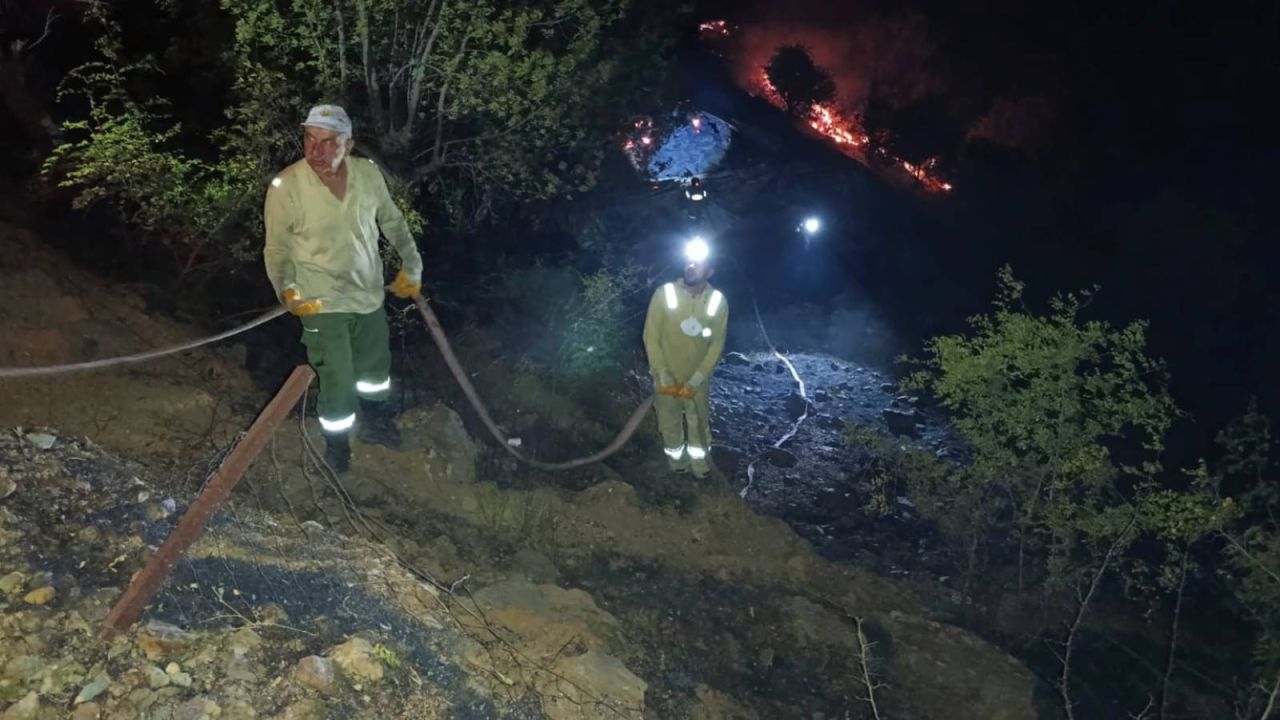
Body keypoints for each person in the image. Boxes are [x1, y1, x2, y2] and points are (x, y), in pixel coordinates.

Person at [263, 104, 424, 473]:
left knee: (375, 372)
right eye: (309, 139)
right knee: (337, 376)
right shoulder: (286, 186)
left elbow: (392, 221)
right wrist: (286, 289)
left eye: (328, 142)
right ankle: (337, 447)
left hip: (367, 294)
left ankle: (377, 423)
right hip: (318, 301)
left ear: (348, 146)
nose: (316, 151)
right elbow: (276, 248)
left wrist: (412, 265)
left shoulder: (368, 175)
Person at [642, 238, 728, 478]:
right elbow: (651, 336)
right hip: (666, 374)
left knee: (698, 422)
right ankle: (677, 464)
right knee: (668, 421)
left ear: (709, 271)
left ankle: (700, 468)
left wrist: (698, 378)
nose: (691, 266)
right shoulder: (664, 294)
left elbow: (717, 343)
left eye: (698, 264)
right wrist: (661, 372)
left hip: (696, 378)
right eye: (689, 262)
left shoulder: (717, 301)